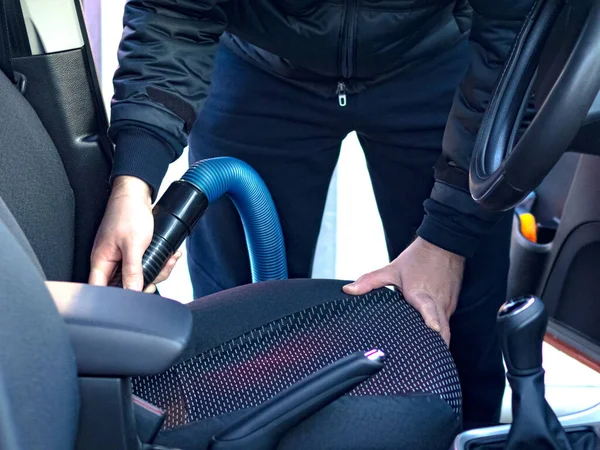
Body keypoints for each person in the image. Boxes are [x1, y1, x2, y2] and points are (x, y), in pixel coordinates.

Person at [89, 0, 535, 430]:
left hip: (433, 59)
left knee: (457, 308)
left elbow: (515, 36)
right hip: (261, 61)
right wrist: (133, 182)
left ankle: (470, 436)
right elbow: (175, 11)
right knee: (239, 314)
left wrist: (448, 239)